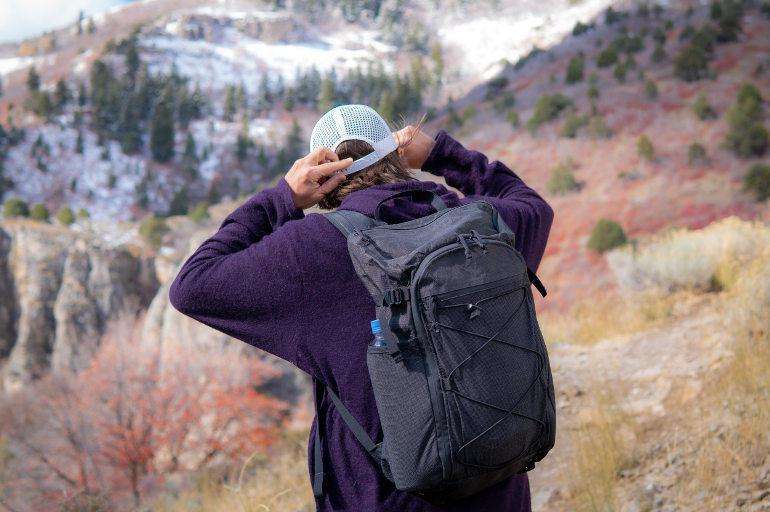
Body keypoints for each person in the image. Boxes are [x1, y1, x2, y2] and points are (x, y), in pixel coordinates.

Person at [169, 104, 554, 511]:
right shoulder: (477, 221)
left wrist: (283, 198)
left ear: (324, 173)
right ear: (396, 155)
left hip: (384, 498)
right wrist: (440, 153)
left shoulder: (311, 250)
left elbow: (193, 285)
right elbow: (533, 206)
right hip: (498, 490)